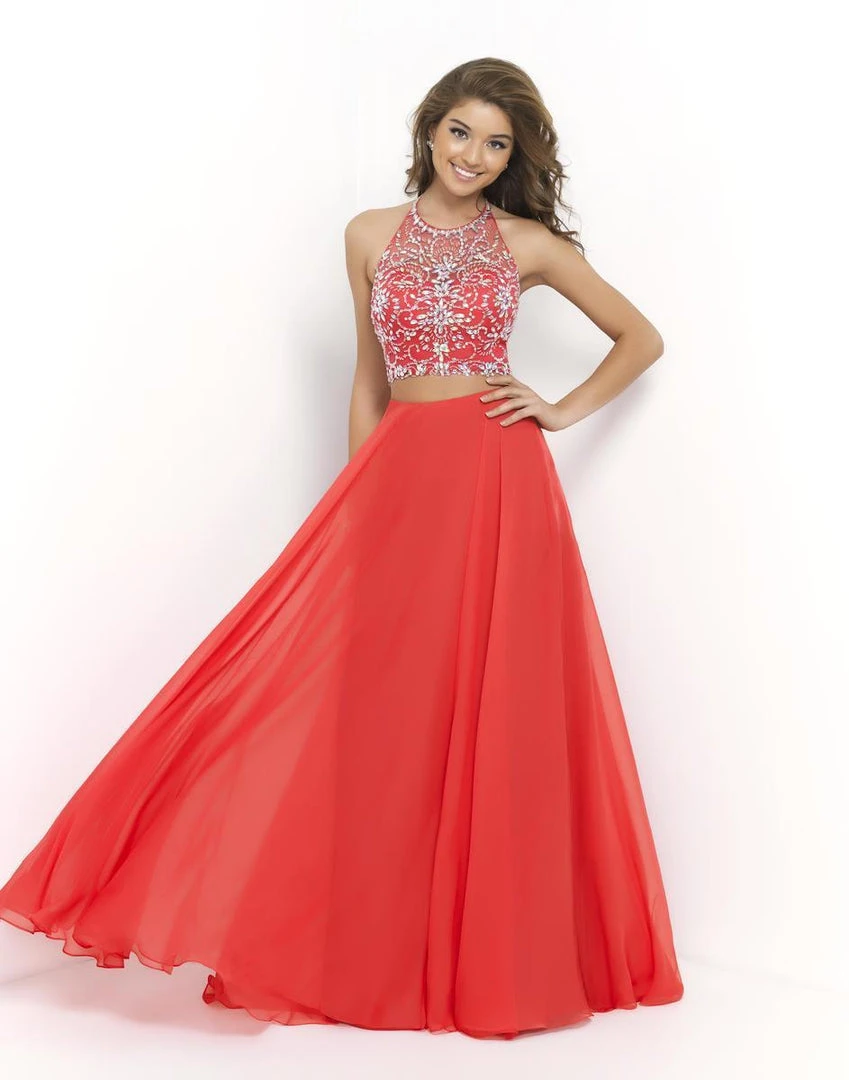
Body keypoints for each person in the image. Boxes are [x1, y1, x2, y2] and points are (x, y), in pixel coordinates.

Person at [0, 57, 684, 1040]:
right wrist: (363, 503)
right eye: (460, 132)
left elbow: (640, 337)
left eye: (496, 144)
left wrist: (560, 409)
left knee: (497, 700)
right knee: (386, 703)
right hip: (401, 479)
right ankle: (371, 938)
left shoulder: (527, 243)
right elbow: (369, 381)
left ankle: (496, 959)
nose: (474, 155)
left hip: (498, 482)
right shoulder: (368, 234)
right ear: (429, 130)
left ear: (512, 158)